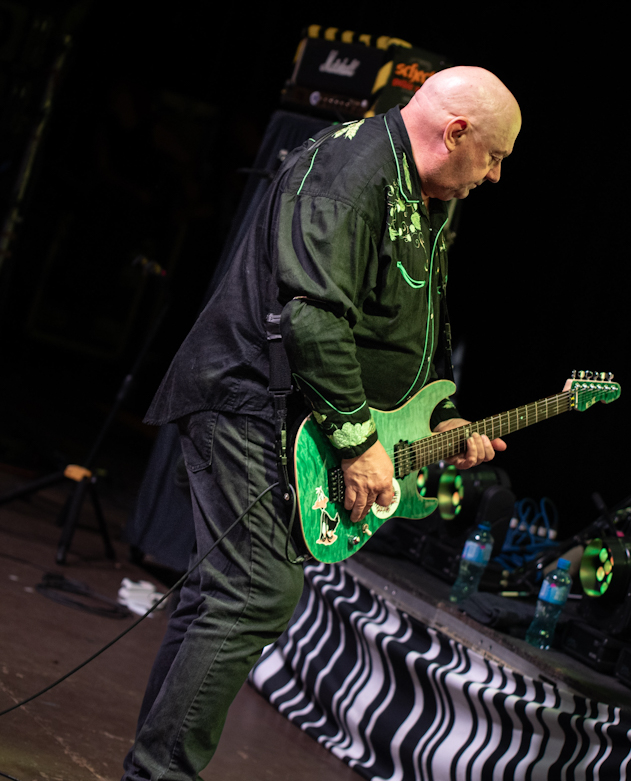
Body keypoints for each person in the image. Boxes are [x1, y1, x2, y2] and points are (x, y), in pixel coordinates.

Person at [121, 67, 520, 781]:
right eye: (493, 155)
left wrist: (444, 414)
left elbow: (422, 322)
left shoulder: (429, 196)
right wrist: (359, 441)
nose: (494, 176)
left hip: (292, 413)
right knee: (254, 593)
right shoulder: (350, 171)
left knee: (224, 595)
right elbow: (311, 315)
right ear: (455, 132)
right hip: (248, 400)